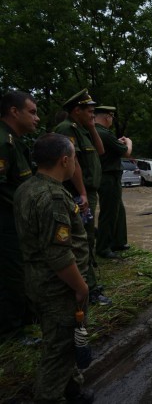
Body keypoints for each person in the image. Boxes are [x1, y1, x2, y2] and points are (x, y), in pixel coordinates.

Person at [13, 133, 94, 403]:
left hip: (38, 281)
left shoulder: (27, 187)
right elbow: (59, 255)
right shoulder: (53, 198)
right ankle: (49, 397)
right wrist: (81, 287)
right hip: (58, 287)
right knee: (59, 348)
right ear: (64, 160)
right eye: (74, 158)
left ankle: (71, 389)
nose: (75, 164)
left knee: (64, 339)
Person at [54, 89, 111, 306]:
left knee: (87, 237)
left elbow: (101, 150)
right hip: (79, 193)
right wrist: (83, 193)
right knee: (83, 239)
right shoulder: (66, 129)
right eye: (90, 111)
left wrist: (91, 127)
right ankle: (90, 289)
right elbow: (73, 162)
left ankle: (90, 283)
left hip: (88, 192)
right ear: (76, 110)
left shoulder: (83, 129)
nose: (93, 114)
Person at [0, 91, 39, 337]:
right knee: (10, 273)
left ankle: (24, 318)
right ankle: (10, 330)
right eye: (32, 112)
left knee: (21, 269)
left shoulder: (16, 141)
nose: (37, 118)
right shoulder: (4, 142)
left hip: (16, 220)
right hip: (5, 222)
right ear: (15, 111)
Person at [94, 106, 132, 258]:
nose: (112, 120)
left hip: (107, 175)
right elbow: (126, 152)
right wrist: (128, 142)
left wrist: (116, 142)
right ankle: (103, 247)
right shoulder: (103, 132)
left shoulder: (96, 132)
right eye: (111, 117)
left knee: (118, 209)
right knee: (109, 212)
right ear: (107, 117)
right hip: (108, 176)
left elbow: (109, 148)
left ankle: (118, 241)